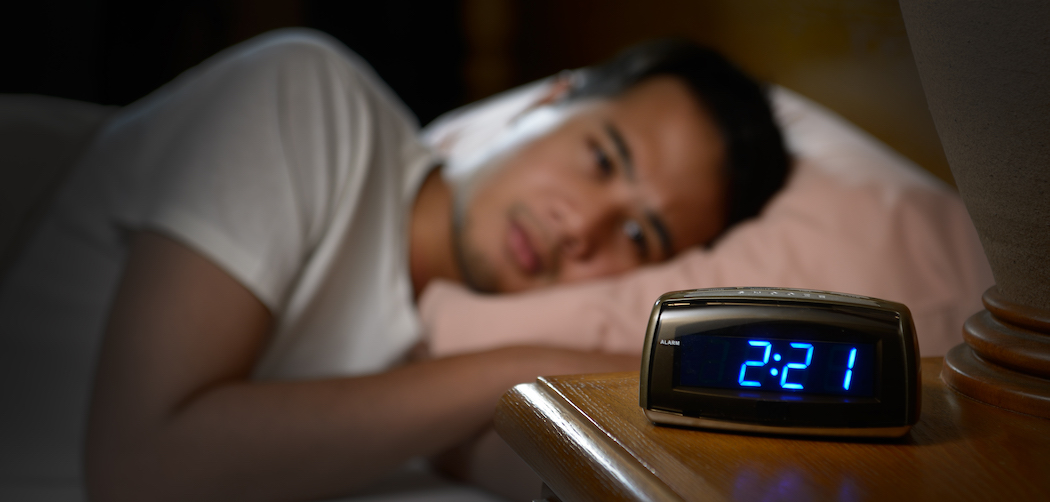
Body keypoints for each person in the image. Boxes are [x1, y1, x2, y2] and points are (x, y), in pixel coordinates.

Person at [0, 29, 788, 501]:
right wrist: (521, 369)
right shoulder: (308, 96)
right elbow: (141, 470)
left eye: (640, 236)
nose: (581, 226)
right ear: (549, 100)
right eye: (602, 157)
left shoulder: (425, 337)